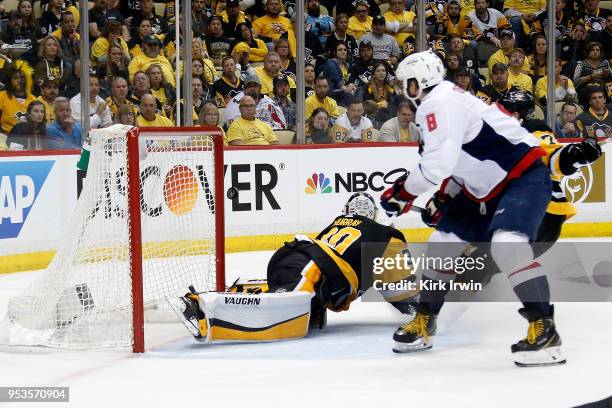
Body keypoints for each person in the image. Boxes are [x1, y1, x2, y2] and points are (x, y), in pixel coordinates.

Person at [380, 50, 563, 366]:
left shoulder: (437, 103)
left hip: (522, 175)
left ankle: (545, 329)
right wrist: (447, 196)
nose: (401, 90)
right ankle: (425, 320)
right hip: (483, 187)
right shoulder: (444, 101)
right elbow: (462, 162)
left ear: (418, 82)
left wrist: (400, 193)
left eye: (404, 83)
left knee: (508, 245)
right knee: (442, 244)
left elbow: (436, 167)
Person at [168, 193, 416, 342]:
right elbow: (403, 295)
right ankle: (202, 308)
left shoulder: (334, 226)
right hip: (310, 265)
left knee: (307, 314)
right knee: (285, 314)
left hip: (295, 257)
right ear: (374, 215)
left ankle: (239, 291)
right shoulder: (387, 236)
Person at [0, 66, 36, 134]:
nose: (19, 80)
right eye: (16, 77)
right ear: (10, 80)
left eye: (22, 77)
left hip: (27, 139)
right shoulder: (2, 96)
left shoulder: (33, 99)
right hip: (4, 136)